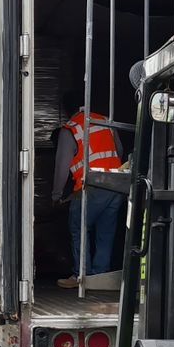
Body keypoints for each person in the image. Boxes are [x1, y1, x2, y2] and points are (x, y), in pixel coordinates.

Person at [51, 89, 125, 288]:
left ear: (68, 109)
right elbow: (119, 151)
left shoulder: (71, 129)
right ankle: (100, 277)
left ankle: (81, 276)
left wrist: (57, 195)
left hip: (91, 186)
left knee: (79, 228)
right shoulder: (105, 121)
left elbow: (62, 166)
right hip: (116, 184)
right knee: (106, 232)